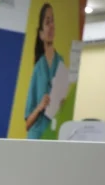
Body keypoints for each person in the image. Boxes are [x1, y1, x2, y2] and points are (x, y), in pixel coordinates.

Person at [24, 3, 62, 140]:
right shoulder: (38, 69)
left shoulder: (61, 63)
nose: (51, 26)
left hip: (54, 135)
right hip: (37, 137)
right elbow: (27, 124)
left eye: (52, 21)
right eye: (47, 22)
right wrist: (40, 107)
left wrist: (63, 105)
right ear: (41, 34)